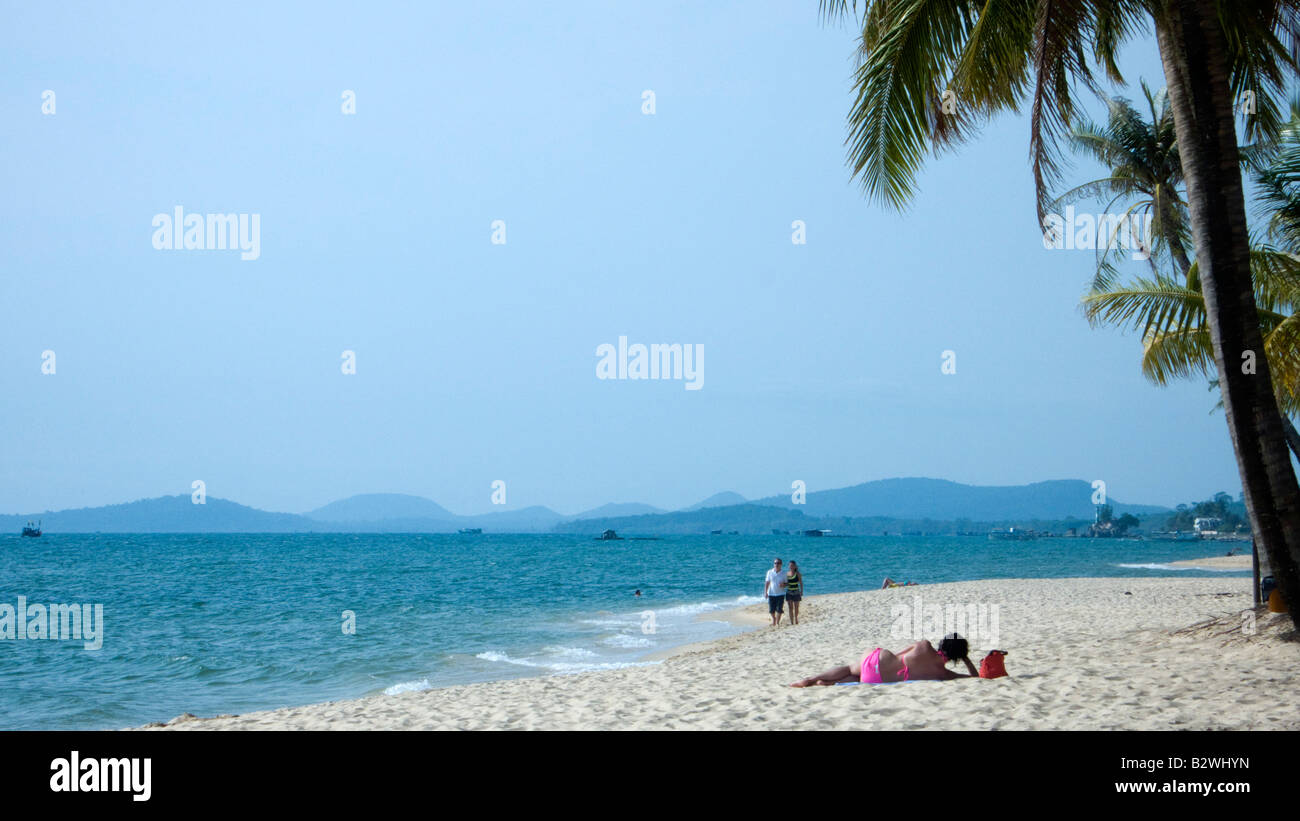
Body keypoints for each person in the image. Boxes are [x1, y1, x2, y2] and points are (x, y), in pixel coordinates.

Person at [790, 634, 979, 686]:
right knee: (859, 678)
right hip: (877, 679)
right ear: (957, 656)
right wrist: (967, 660)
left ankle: (811, 679)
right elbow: (974, 678)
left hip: (879, 662)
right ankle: (830, 683)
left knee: (850, 667)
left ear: (943, 643)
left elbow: (898, 655)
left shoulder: (924, 645)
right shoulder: (944, 674)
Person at [764, 558, 788, 627]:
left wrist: (784, 584)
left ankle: (777, 622)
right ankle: (774, 619)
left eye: (778, 563)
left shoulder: (784, 573)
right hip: (771, 593)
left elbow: (787, 583)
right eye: (775, 563)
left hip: (781, 593)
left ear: (781, 564)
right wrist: (765, 592)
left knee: (779, 609)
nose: (776, 564)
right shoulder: (769, 572)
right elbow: (767, 582)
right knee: (771, 610)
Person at [785, 560, 804, 625]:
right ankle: (791, 622)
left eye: (792, 565)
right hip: (789, 592)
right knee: (790, 607)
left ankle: (796, 618)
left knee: (796, 607)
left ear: (795, 566)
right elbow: (787, 583)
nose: (791, 567)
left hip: (796, 591)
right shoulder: (787, 574)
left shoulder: (798, 574)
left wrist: (801, 591)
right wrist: (783, 584)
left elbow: (801, 583)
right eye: (790, 565)